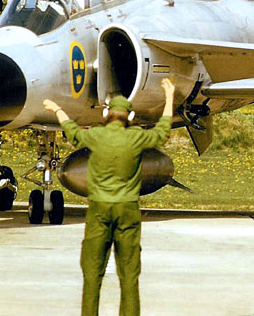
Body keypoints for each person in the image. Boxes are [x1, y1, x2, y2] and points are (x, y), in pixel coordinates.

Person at [43, 78, 175, 316]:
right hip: (128, 213)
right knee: (129, 277)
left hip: (99, 212)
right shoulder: (136, 137)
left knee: (92, 275)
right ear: (130, 118)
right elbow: (162, 131)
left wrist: (57, 109)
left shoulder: (95, 136)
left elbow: (72, 131)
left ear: (106, 114)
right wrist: (170, 98)